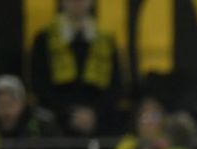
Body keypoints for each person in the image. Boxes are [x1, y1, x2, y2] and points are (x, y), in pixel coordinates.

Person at [29, 0, 125, 139]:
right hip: (57, 120)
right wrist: (68, 113)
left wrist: (94, 113)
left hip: (100, 120)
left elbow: (116, 86)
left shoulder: (106, 39)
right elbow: (39, 85)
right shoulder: (44, 38)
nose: (77, 2)